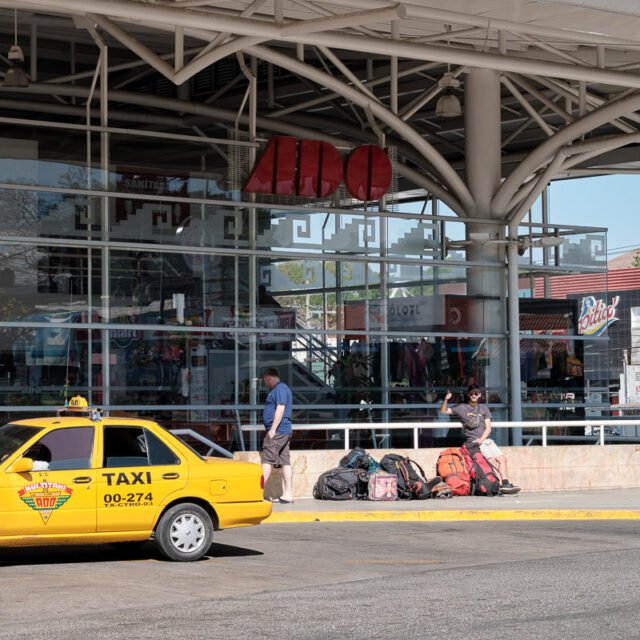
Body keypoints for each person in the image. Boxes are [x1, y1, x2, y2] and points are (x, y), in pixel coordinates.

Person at [440, 384, 520, 494]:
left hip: (485, 440)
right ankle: (496, 484)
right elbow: (443, 411)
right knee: (491, 460)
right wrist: (446, 399)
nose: (474, 395)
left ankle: (505, 483)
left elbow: (488, 428)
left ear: (480, 395)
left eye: (476, 393)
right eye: (472, 393)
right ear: (468, 394)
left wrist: (481, 440)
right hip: (474, 443)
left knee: (502, 459)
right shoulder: (461, 407)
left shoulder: (484, 409)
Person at [261, 367, 294, 504]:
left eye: (265, 381)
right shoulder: (281, 388)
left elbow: (280, 408)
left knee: (267, 460)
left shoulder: (279, 389)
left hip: (278, 431)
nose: (265, 384)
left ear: (269, 378)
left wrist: (272, 429)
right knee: (284, 462)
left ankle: (257, 493)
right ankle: (288, 494)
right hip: (283, 430)